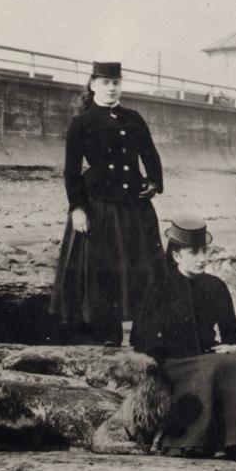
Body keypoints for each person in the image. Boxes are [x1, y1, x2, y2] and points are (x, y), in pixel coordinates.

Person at [49, 62, 165, 346]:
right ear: (93, 85)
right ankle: (108, 335)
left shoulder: (134, 118)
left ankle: (143, 334)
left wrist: (154, 182)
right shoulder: (82, 122)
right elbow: (71, 170)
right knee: (105, 271)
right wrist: (77, 208)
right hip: (100, 207)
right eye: (105, 83)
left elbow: (150, 154)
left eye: (116, 82)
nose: (112, 88)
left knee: (144, 270)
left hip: (135, 207)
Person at [133, 215, 236, 460]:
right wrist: (175, 354)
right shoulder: (158, 287)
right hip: (171, 364)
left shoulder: (216, 287)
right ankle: (189, 443)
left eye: (204, 251)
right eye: (194, 252)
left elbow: (232, 332)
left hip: (208, 358)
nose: (203, 258)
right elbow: (140, 341)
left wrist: (234, 348)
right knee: (211, 369)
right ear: (176, 256)